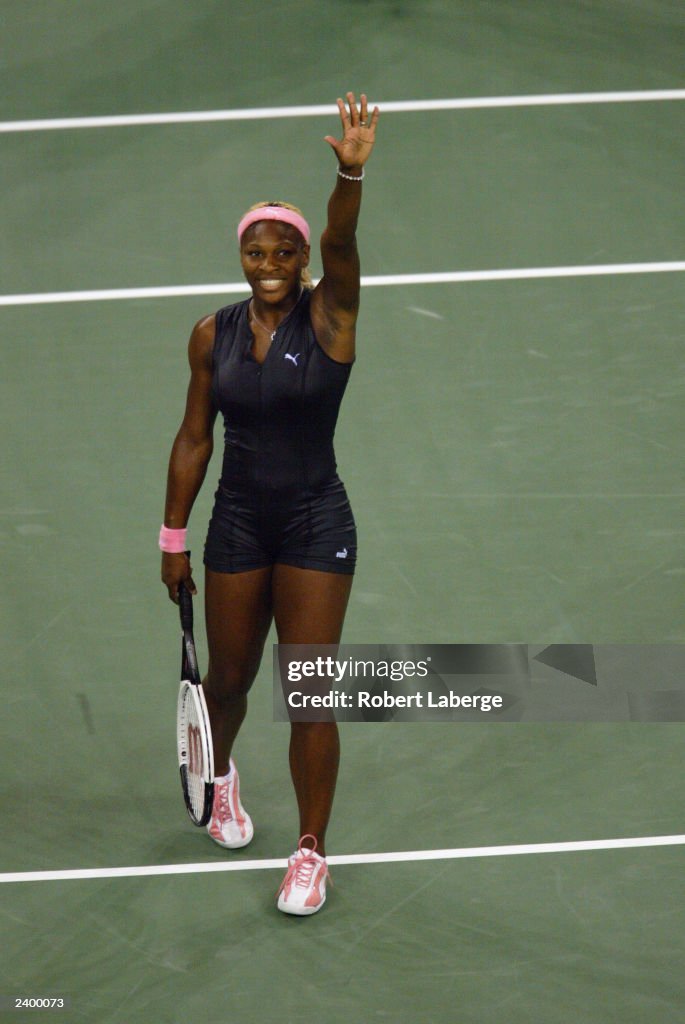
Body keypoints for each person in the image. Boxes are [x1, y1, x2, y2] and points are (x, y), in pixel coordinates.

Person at [159, 93, 379, 915]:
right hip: (239, 522)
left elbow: (342, 239)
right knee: (228, 678)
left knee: (310, 691)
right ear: (242, 257)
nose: (273, 256)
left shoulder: (332, 313)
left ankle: (310, 851)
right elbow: (192, 439)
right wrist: (172, 537)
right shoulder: (209, 335)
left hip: (317, 520)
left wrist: (348, 169)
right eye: (258, 246)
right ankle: (219, 781)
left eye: (285, 245)